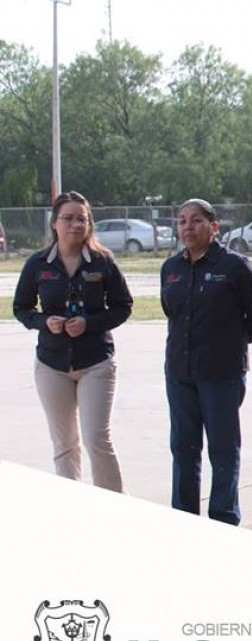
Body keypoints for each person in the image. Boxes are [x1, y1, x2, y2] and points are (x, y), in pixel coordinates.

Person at [13, 191, 133, 492]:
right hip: (52, 364)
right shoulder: (38, 263)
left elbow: (123, 305)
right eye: (68, 218)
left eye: (82, 219)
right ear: (55, 223)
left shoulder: (102, 261)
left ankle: (117, 507)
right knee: (64, 443)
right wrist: (44, 322)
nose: (76, 224)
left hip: (95, 363)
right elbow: (21, 308)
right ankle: (73, 507)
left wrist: (89, 323)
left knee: (96, 437)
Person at [161, 199, 252, 525]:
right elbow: (171, 313)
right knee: (183, 449)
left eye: (197, 221)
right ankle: (184, 518)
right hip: (179, 372)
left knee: (223, 450)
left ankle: (223, 518)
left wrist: (229, 343)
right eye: (182, 221)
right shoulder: (171, 269)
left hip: (221, 374)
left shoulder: (234, 266)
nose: (188, 227)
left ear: (214, 227)